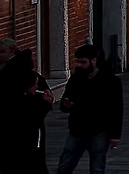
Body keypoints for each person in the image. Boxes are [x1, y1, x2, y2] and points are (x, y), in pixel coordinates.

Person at [52, 45, 117, 174]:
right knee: (65, 165)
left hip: (99, 129)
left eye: (83, 62)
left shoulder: (110, 81)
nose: (80, 65)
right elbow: (65, 100)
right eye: (78, 61)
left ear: (94, 60)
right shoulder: (76, 78)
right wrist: (66, 105)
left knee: (97, 167)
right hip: (77, 129)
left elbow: (116, 109)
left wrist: (115, 135)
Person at [0, 38, 49, 172]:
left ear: (12, 52)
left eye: (3, 52)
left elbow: (42, 101)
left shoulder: (25, 74)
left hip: (26, 126)